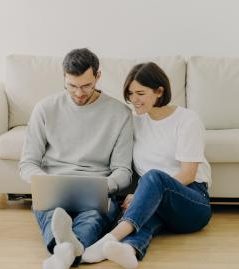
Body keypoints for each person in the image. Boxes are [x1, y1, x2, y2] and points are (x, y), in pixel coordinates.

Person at [81, 62, 212, 269]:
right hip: (157, 204)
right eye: (130, 93)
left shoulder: (187, 119)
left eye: (140, 93)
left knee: (153, 177)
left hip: (193, 202)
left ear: (159, 91)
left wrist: (143, 192)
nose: (134, 100)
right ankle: (129, 251)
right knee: (145, 216)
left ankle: (109, 239)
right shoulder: (135, 122)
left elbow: (187, 174)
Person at [18, 48, 133, 269]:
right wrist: (45, 183)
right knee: (49, 212)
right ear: (63, 76)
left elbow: (123, 171)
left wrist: (104, 185)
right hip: (54, 185)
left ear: (98, 76)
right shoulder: (45, 108)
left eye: (86, 86)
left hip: (97, 189)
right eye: (72, 86)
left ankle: (64, 250)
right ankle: (72, 249)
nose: (79, 93)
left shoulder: (120, 113)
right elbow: (27, 163)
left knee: (93, 216)